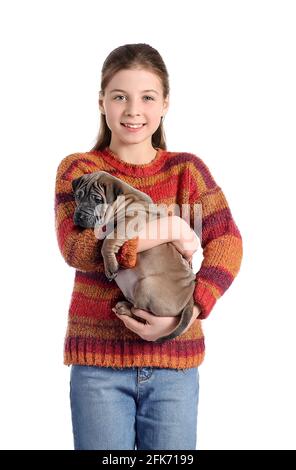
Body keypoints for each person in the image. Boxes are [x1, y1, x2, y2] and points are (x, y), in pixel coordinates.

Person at [54, 43, 243, 450]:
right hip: (98, 368)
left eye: (147, 97)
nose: (133, 110)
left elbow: (227, 241)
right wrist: (171, 227)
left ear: (165, 104)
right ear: (102, 102)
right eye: (120, 96)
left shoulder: (187, 171)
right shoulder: (82, 170)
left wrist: (192, 310)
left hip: (174, 365)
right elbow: (78, 248)